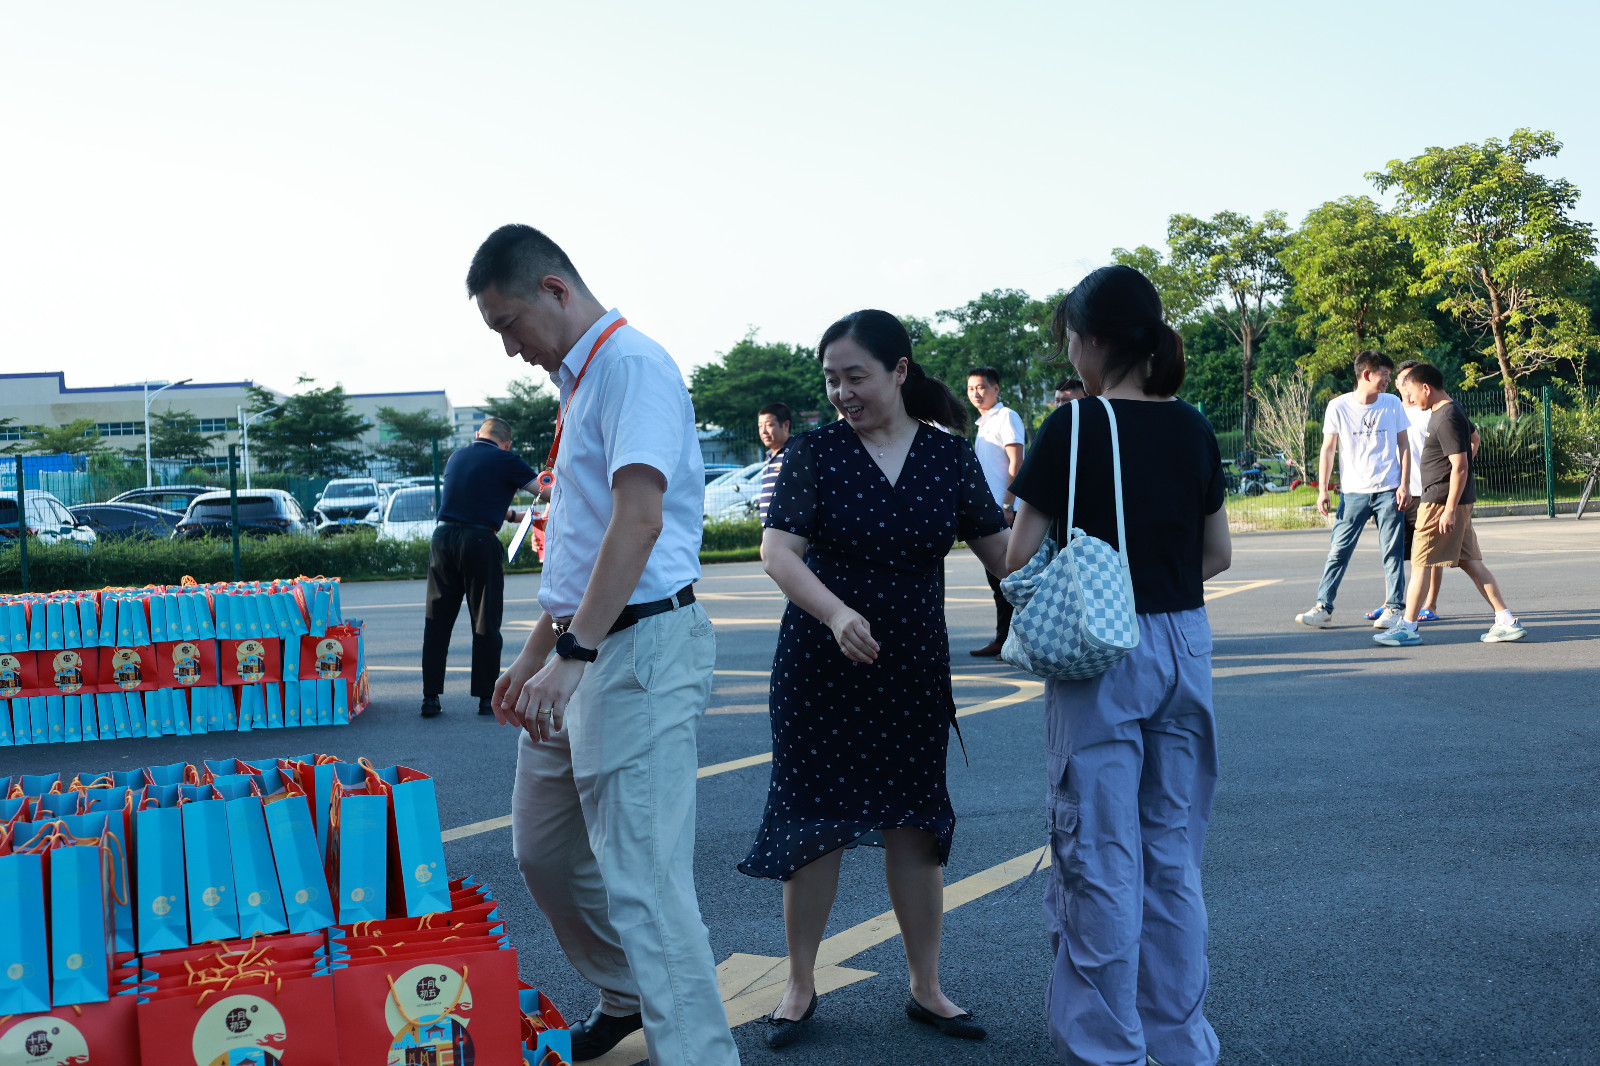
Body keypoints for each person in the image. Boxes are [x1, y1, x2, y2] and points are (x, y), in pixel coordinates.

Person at [472, 224, 738, 1065]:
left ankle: (698, 1054)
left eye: (509, 324)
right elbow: (584, 545)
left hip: (636, 651)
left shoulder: (631, 367)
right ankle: (626, 992)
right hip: (581, 648)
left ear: (555, 290)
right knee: (544, 850)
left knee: (646, 884)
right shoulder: (580, 382)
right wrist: (535, 655)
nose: (510, 348)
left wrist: (573, 655)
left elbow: (639, 520)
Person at [740, 309, 1010, 1049]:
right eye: (832, 380)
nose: (842, 393)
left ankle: (927, 987)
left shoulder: (948, 457)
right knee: (813, 823)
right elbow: (777, 552)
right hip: (820, 664)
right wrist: (834, 614)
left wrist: (1063, 527)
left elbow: (1004, 554)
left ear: (899, 371)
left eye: (855, 376)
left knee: (915, 825)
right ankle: (799, 985)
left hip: (912, 668)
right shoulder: (815, 453)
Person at [1006, 264, 1231, 1066]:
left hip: (1104, 657)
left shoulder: (1072, 427)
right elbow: (1218, 553)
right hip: (1184, 644)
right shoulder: (1194, 426)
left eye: (1070, 338)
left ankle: (1108, 1048)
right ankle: (1181, 1039)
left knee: (1099, 853)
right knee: (1172, 852)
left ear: (1092, 341)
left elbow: (1018, 554)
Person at [1375, 363, 1527, 646]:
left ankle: (1407, 627)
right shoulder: (1448, 410)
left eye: (1412, 392)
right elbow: (1473, 442)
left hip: (1439, 503)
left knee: (1420, 563)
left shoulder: (1446, 416)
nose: (1410, 398)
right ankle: (1506, 620)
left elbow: (1460, 466)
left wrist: (1448, 509)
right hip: (1451, 501)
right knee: (1471, 563)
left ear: (1426, 388)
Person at [420, 415, 536, 718]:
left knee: (437, 621)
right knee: (485, 619)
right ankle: (486, 698)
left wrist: (512, 516)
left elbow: (474, 500)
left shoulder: (457, 457)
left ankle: (430, 698)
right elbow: (547, 491)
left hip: (443, 539)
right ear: (507, 443)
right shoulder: (507, 460)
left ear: (477, 434)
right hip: (480, 542)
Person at [1293, 350, 1411, 630]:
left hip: (1388, 490)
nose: (1388, 380)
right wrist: (1323, 490)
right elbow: (1328, 449)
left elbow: (1404, 445)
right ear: (1366, 374)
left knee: (1392, 553)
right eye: (1384, 374)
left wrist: (1404, 484)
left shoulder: (1392, 403)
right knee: (1338, 551)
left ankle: (1394, 609)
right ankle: (1323, 608)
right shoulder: (1338, 406)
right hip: (1353, 492)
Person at [1364, 360, 1480, 624]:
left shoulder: (1437, 410)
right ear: (1397, 384)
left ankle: (1425, 609)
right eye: (1403, 381)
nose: (1408, 388)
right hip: (1397, 492)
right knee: (1394, 551)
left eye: (1412, 382)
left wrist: (1456, 473)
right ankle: (1392, 604)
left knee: (1429, 556)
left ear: (1423, 386)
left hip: (1430, 494)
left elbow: (1472, 443)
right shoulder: (1390, 409)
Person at [966, 365, 1026, 656]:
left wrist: (1008, 505)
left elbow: (1017, 463)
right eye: (971, 388)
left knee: (1010, 580)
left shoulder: (1006, 417)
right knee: (998, 582)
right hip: (989, 513)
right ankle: (1004, 639)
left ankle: (1013, 641)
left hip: (1005, 512)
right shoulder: (984, 424)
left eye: (981, 387)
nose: (976, 393)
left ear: (996, 388)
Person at [755, 401, 794, 522]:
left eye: (769, 425)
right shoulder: (768, 458)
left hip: (787, 528)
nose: (763, 431)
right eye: (760, 426)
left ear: (786, 425)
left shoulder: (795, 452)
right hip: (769, 528)